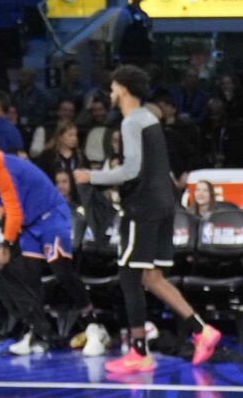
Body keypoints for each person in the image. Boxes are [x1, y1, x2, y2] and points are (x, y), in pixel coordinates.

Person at [75, 66, 221, 376]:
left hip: (142, 208)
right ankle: (202, 331)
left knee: (129, 277)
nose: (111, 94)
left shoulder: (132, 122)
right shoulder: (150, 119)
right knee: (152, 278)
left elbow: (131, 170)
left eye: (114, 88)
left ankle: (139, 351)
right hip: (163, 205)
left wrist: (92, 176)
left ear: (124, 89)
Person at [0, 127, 91, 355]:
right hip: (31, 222)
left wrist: (5, 245)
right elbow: (15, 197)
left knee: (61, 270)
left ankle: (92, 322)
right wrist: (2, 211)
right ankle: (36, 332)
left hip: (51, 215)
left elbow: (15, 209)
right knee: (24, 275)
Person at [116, 0, 154, 66]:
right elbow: (118, 32)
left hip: (144, 54)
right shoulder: (126, 13)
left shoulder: (144, 14)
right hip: (130, 55)